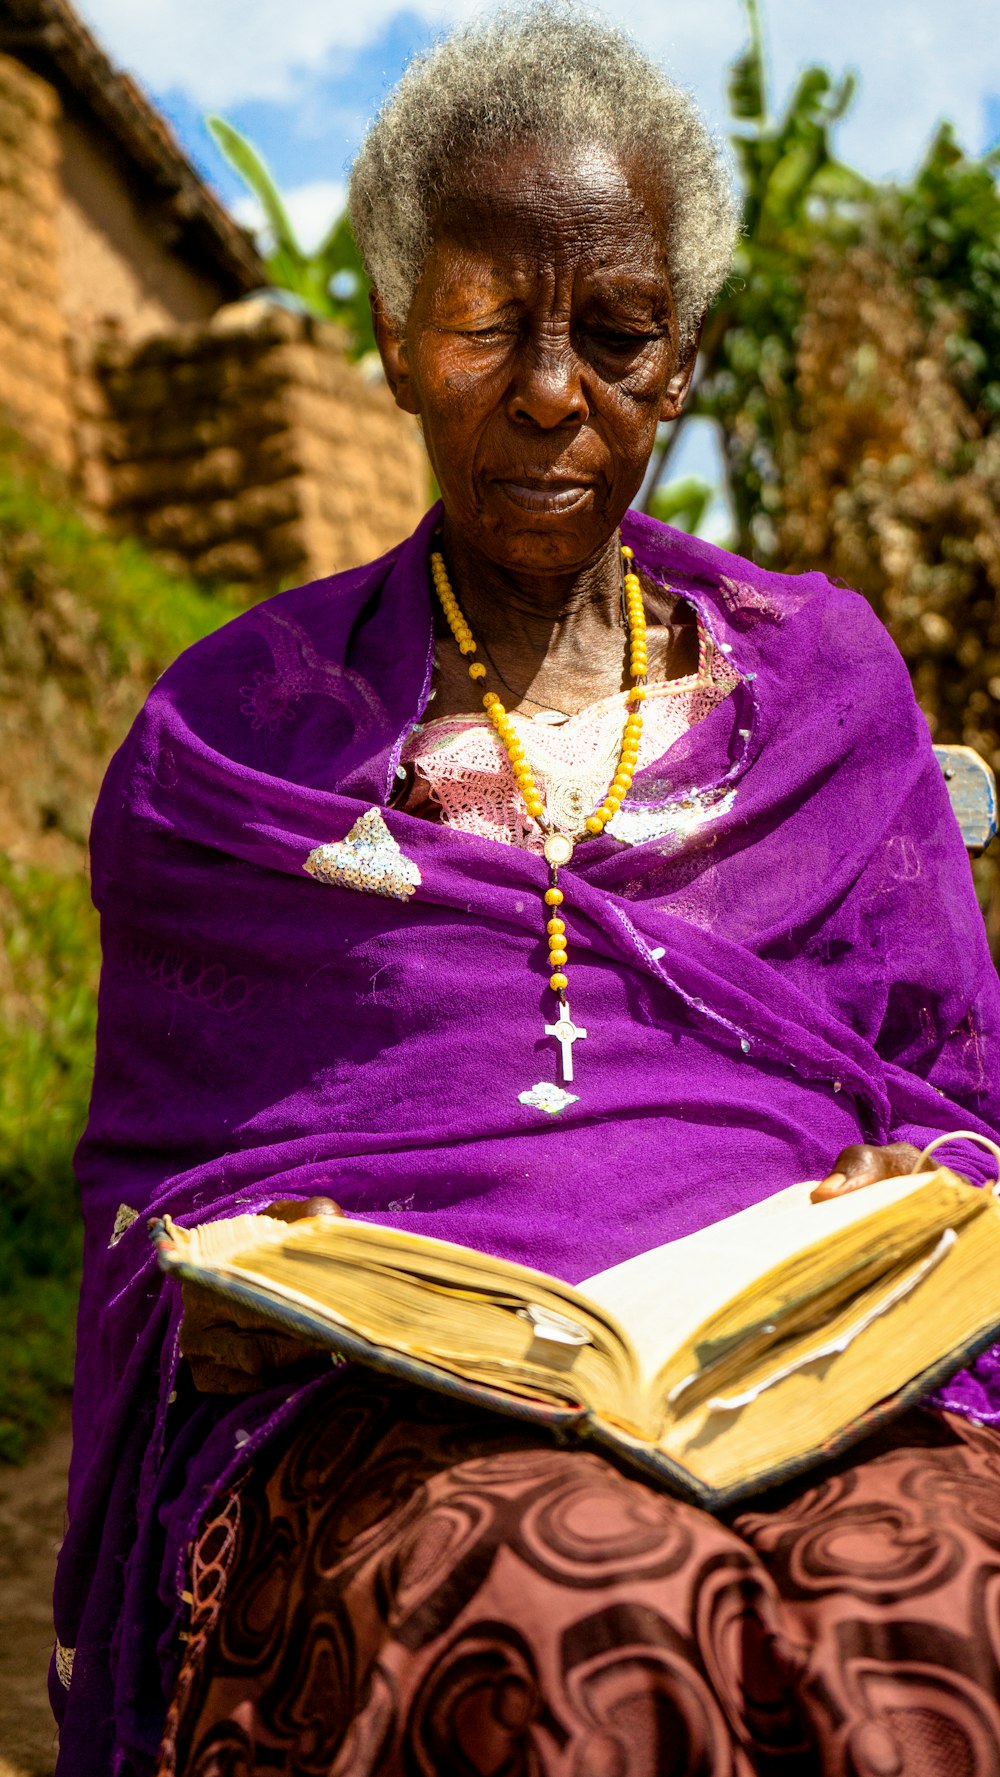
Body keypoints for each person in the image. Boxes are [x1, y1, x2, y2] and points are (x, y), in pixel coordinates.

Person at [52, 9, 1000, 1774]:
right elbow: (156, 1191)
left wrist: (919, 1186)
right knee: (566, 1614)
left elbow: (958, 1095)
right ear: (400, 340)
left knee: (941, 1602)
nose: (556, 390)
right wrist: (217, 1306)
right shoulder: (234, 735)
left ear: (688, 360)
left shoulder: (823, 684)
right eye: (492, 323)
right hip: (406, 1411)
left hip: (808, 1374)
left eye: (618, 334)